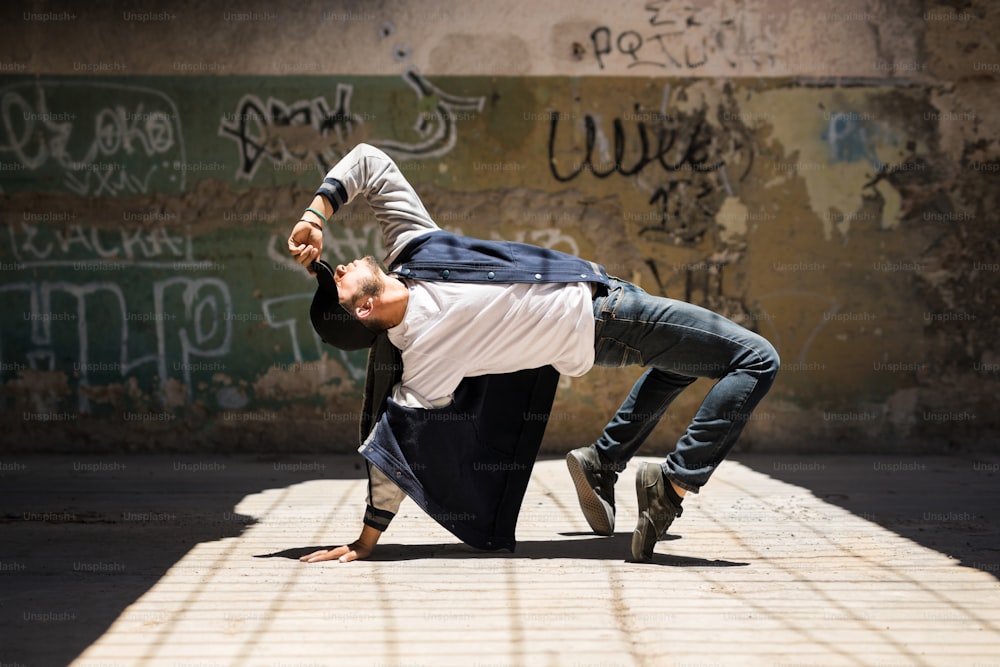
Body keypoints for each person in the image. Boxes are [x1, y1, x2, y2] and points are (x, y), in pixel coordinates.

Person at [287, 143, 779, 563]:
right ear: (363, 308)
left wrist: (318, 212)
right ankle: (671, 487)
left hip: (602, 290)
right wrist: (366, 539)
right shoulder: (422, 357)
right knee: (756, 360)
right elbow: (394, 445)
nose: (342, 265)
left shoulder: (413, 248)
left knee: (686, 359)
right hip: (605, 321)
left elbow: (372, 163)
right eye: (339, 279)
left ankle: (602, 461)